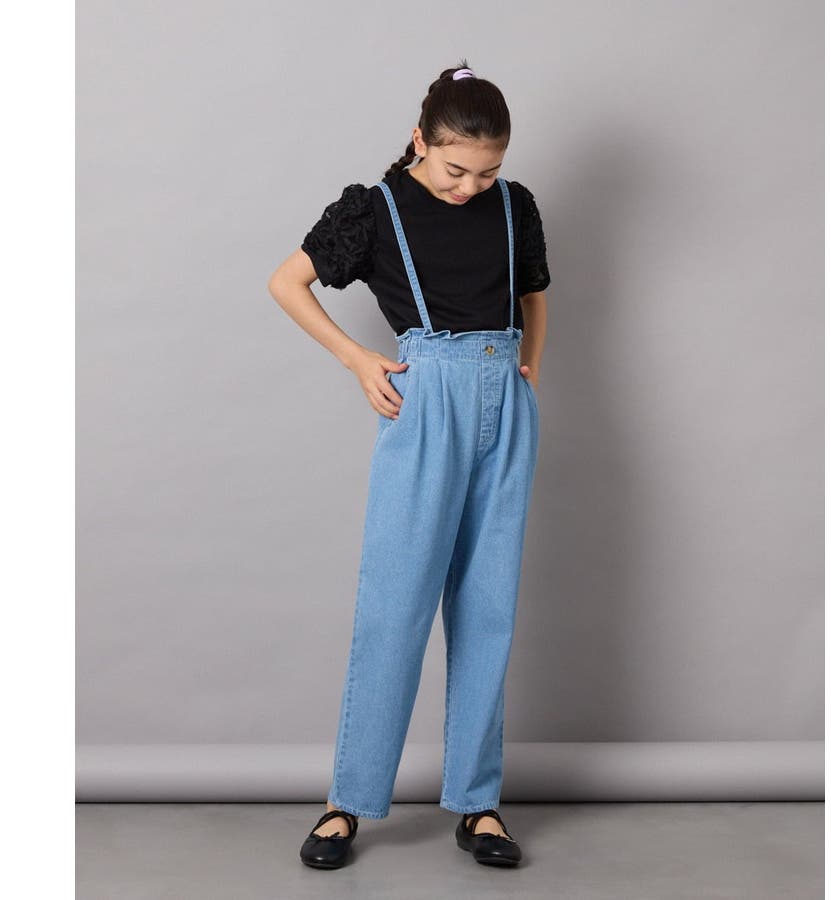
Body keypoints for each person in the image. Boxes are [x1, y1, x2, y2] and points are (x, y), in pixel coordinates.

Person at [267, 60, 551, 869]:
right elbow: (287, 282)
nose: (471, 186)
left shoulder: (515, 205)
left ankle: (479, 804)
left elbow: (533, 290)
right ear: (419, 139)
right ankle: (347, 802)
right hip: (425, 398)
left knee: (488, 607)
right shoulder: (377, 208)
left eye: (487, 171)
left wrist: (531, 366)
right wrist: (359, 358)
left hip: (505, 403)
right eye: (457, 168)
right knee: (396, 603)